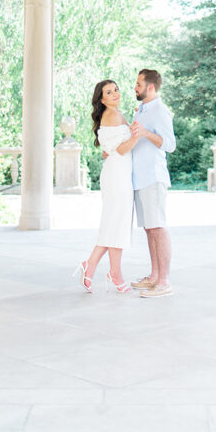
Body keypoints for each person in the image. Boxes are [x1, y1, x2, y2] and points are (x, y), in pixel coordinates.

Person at [74, 79, 138, 294]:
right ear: (101, 99)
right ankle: (113, 272)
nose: (115, 94)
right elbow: (120, 148)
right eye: (109, 92)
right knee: (116, 222)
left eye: (116, 89)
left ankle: (93, 265)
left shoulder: (116, 114)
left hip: (118, 172)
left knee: (115, 222)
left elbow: (111, 146)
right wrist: (138, 134)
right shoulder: (112, 115)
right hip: (117, 174)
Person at [129, 68, 176, 298]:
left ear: (150, 87)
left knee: (158, 227)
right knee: (149, 229)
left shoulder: (161, 111)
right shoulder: (141, 110)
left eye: (138, 84)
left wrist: (146, 133)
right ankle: (154, 276)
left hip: (154, 177)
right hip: (140, 178)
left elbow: (170, 144)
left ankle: (164, 281)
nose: (135, 88)